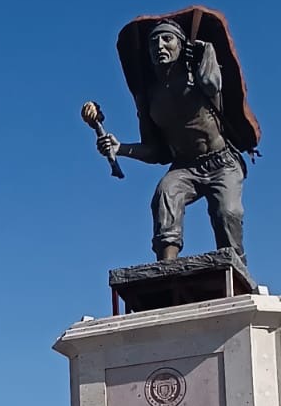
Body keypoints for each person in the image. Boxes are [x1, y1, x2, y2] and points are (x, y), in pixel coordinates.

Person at [97, 20, 247, 262]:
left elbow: (212, 84)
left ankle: (235, 268)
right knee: (165, 194)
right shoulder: (150, 99)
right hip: (185, 166)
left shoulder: (198, 78)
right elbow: (155, 152)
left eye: (167, 39)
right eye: (154, 42)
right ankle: (166, 268)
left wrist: (207, 51)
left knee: (227, 213)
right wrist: (120, 148)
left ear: (182, 45)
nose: (160, 46)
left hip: (222, 163)